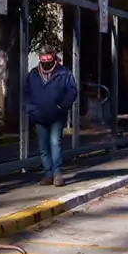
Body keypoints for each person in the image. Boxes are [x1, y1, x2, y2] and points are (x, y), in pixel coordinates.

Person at [24, 46, 78, 187]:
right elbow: (27, 94)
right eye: (43, 58)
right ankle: (48, 174)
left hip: (57, 115)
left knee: (55, 142)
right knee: (43, 147)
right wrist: (31, 110)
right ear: (40, 59)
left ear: (54, 58)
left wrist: (62, 106)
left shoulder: (64, 73)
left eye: (49, 58)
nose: (46, 61)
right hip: (39, 116)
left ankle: (57, 174)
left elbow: (72, 91)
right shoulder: (33, 74)